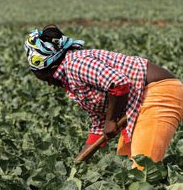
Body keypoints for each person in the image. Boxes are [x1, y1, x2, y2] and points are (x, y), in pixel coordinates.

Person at [24, 25, 183, 164]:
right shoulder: (71, 81)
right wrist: (78, 163)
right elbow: (99, 125)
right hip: (140, 100)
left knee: (143, 169)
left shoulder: (75, 64)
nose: (49, 84)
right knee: (127, 164)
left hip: (160, 93)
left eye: (43, 78)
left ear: (49, 68)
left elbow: (118, 83)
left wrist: (111, 120)